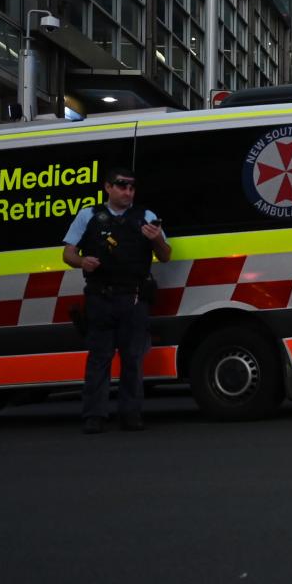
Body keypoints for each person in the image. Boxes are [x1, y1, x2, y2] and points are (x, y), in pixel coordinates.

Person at [61, 167, 170, 434]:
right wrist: (82, 261)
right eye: (122, 186)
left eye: (131, 188)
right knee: (99, 358)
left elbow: (166, 255)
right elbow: (68, 254)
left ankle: (130, 414)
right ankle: (94, 415)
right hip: (100, 297)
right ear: (107, 188)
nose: (127, 192)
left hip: (133, 297)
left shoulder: (146, 216)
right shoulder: (88, 215)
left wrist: (156, 240)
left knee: (133, 358)